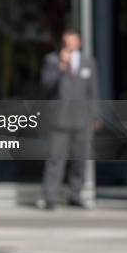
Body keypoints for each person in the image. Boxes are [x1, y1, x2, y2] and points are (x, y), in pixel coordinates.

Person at [41, 29, 101, 210]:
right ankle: (50, 197)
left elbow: (93, 91)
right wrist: (61, 66)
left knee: (80, 160)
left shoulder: (88, 62)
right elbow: (46, 86)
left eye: (73, 41)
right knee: (55, 159)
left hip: (81, 120)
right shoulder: (51, 61)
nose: (70, 45)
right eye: (66, 42)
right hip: (59, 119)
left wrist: (95, 115)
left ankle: (75, 195)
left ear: (79, 42)